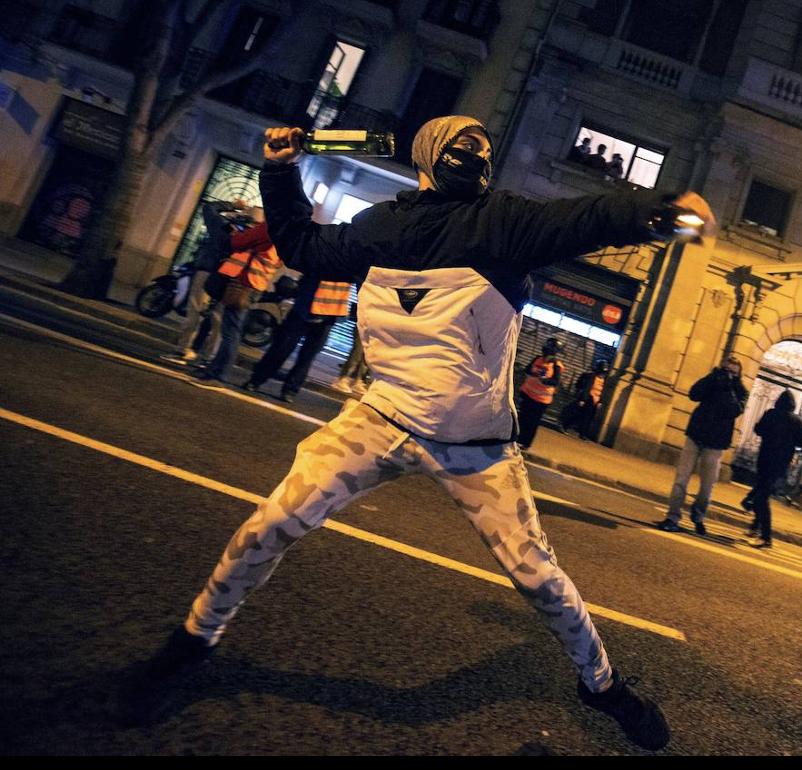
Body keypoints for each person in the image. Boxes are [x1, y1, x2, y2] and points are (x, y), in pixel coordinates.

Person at [121, 115, 715, 750]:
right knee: (267, 525)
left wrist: (659, 211)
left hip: (476, 448)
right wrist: (278, 169)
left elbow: (585, 218)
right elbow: (302, 248)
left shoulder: (503, 222)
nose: (476, 156)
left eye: (484, 148)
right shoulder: (384, 224)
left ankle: (601, 685)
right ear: (432, 154)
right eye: (464, 146)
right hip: (379, 419)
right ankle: (191, 642)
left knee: (539, 578)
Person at [657, 356, 747, 536]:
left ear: (739, 375)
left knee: (707, 486)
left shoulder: (740, 391)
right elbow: (693, 394)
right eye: (726, 370)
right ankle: (672, 517)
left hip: (716, 443)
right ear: (720, 368)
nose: (729, 375)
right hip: (695, 435)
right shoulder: (712, 380)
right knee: (681, 480)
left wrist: (728, 388)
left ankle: (698, 517)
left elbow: (734, 410)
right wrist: (713, 379)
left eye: (733, 373)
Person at [190, 207, 283, 383]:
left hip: (245, 282)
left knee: (230, 331)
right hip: (256, 284)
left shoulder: (270, 228)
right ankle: (214, 370)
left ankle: (219, 375)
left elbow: (239, 241)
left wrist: (234, 232)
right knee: (231, 330)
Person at [163, 199, 248, 365]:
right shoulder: (248, 237)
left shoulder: (220, 226)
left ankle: (184, 350)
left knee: (195, 310)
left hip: (207, 272)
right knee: (218, 318)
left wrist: (233, 206)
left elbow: (209, 207)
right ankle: (208, 358)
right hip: (229, 277)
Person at [243, 277, 352, 402]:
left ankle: (289, 389)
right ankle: (258, 380)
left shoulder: (350, 262)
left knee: (306, 356)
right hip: (307, 306)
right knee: (282, 348)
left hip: (327, 312)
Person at [743, 390, 802, 548]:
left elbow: (758, 430)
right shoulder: (797, 421)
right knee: (762, 495)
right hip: (780, 464)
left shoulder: (771, 414)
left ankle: (766, 536)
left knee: (761, 496)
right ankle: (756, 528)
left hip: (764, 459)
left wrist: (769, 435)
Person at [516, 336, 565, 449]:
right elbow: (527, 369)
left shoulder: (556, 365)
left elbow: (555, 381)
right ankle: (516, 439)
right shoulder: (537, 358)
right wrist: (535, 373)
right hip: (528, 394)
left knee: (532, 422)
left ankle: (525, 443)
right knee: (522, 418)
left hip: (541, 400)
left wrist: (545, 380)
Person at [559, 358, 609, 439]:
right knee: (580, 415)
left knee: (588, 418)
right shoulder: (592, 376)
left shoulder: (603, 380)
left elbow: (602, 391)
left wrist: (600, 401)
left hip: (595, 401)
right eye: (601, 372)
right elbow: (587, 388)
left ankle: (582, 433)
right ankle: (566, 426)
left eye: (603, 373)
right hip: (588, 398)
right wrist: (583, 399)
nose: (602, 374)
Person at [331, 315, 370, 397]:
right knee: (357, 353)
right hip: (366, 323)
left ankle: (358, 380)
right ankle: (343, 378)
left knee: (367, 356)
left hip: (377, 328)